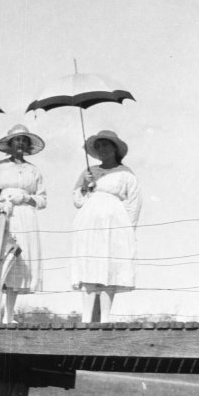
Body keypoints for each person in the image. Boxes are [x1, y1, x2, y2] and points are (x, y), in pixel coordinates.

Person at [71, 129, 142, 323]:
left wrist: (127, 231)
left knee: (109, 265)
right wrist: (85, 186)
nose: (102, 149)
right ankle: (86, 318)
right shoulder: (89, 172)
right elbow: (77, 200)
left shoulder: (125, 174)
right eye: (98, 146)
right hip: (89, 220)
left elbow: (133, 204)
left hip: (114, 222)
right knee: (89, 264)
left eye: (106, 145)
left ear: (115, 148)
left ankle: (105, 319)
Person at [0, 124, 47, 324]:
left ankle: (9, 315)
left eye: (24, 141)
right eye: (17, 140)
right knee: (0, 260)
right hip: (4, 215)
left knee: (19, 261)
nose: (20, 144)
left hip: (25, 216)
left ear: (28, 146)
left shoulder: (33, 171)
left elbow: (43, 199)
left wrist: (26, 198)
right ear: (10, 144)